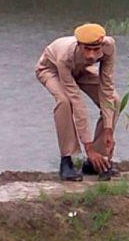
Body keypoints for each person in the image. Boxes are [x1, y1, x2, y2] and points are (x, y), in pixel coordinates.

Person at [35, 24, 119, 181]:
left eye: (95, 50)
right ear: (79, 45)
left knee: (114, 100)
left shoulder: (109, 47)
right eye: (87, 49)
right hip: (52, 70)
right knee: (65, 102)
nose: (91, 56)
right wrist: (88, 146)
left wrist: (108, 130)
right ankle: (66, 161)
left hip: (80, 70)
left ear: (102, 45)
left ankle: (96, 161)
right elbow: (77, 102)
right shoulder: (65, 55)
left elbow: (106, 86)